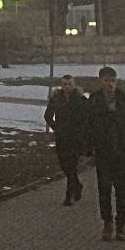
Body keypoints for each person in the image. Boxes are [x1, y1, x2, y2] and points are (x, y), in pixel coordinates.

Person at [85, 65, 125, 242]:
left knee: (122, 190)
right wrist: (88, 151)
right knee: (104, 190)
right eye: (106, 80)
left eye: (112, 80)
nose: (110, 84)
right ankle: (107, 223)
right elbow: (87, 127)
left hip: (121, 151)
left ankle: (121, 224)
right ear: (100, 81)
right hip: (102, 152)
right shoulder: (94, 101)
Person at [43, 74, 89, 206]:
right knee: (65, 166)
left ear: (74, 85)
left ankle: (69, 196)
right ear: (61, 85)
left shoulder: (80, 99)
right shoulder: (56, 98)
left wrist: (83, 132)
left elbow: (87, 117)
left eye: (70, 84)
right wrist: (55, 127)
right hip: (62, 137)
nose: (67, 87)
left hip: (76, 138)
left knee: (72, 165)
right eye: (65, 84)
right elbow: (47, 115)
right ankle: (77, 185)